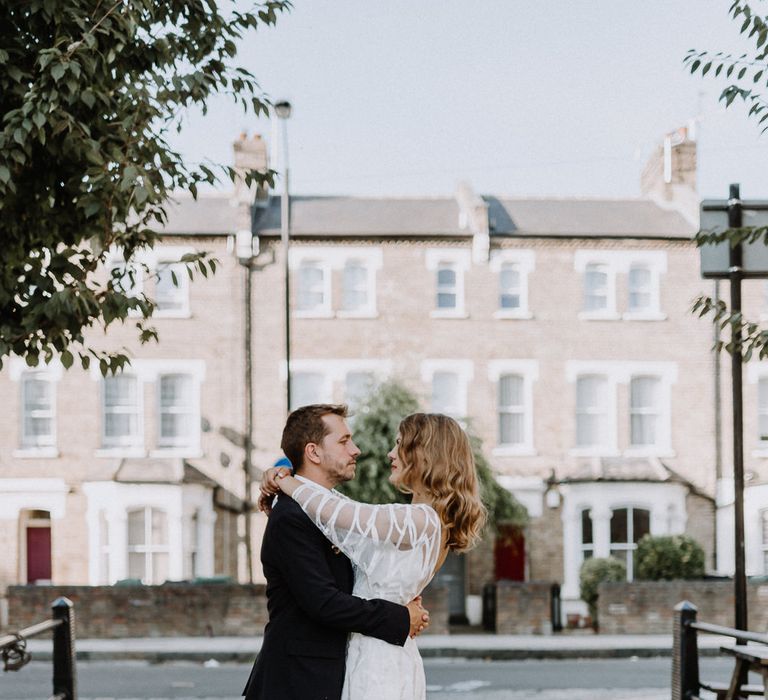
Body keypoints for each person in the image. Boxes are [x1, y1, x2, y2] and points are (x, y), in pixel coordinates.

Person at [260, 410, 487, 700]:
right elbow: (338, 512)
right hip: (362, 655)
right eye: (345, 441)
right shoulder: (421, 519)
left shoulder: (419, 519)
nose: (389, 453)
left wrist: (284, 481)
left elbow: (342, 512)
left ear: (423, 456)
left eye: (399, 444)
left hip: (378, 659)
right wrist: (283, 479)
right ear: (313, 452)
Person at [242, 404, 430, 700]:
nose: (355, 450)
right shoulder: (292, 516)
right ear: (313, 452)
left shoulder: (329, 511)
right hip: (297, 683)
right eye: (343, 441)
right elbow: (323, 602)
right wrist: (399, 617)